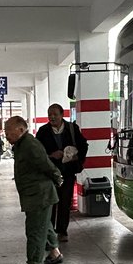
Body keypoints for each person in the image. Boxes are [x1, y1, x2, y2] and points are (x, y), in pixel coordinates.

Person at [3, 116, 63, 264]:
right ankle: (55, 253)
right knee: (44, 224)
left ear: (21, 130)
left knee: (35, 229)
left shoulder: (30, 144)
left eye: (9, 130)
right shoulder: (21, 144)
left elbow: (45, 163)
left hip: (39, 194)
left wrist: (58, 177)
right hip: (34, 193)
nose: (6, 134)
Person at [35, 103, 88, 243]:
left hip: (68, 172)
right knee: (51, 202)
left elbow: (84, 145)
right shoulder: (43, 131)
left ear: (61, 115)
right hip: (50, 173)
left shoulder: (72, 128)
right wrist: (52, 155)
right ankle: (50, 230)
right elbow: (38, 152)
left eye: (55, 114)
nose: (52, 117)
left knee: (65, 202)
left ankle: (62, 231)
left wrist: (76, 157)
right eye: (49, 114)